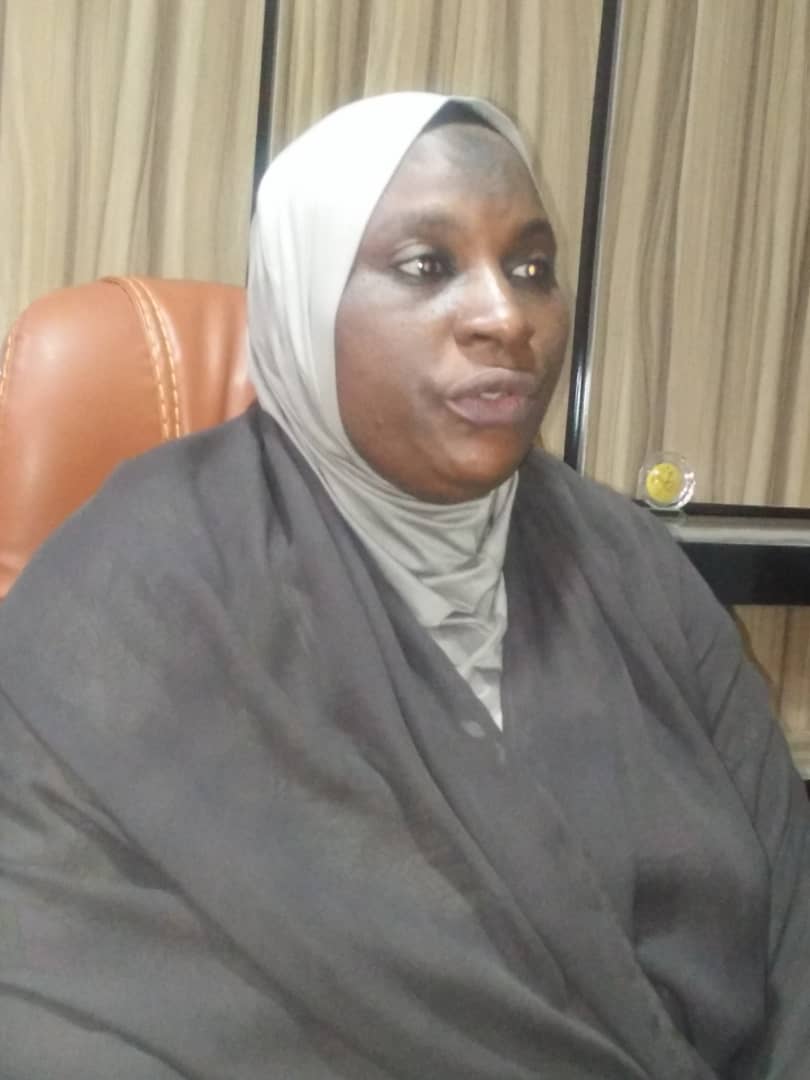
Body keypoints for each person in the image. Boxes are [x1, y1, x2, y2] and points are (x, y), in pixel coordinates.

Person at [0, 92, 808, 1080]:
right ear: (306, 303)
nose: (505, 317)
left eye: (532, 268)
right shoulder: (140, 580)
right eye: (427, 267)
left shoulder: (631, 568)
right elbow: (44, 974)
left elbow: (792, 912)